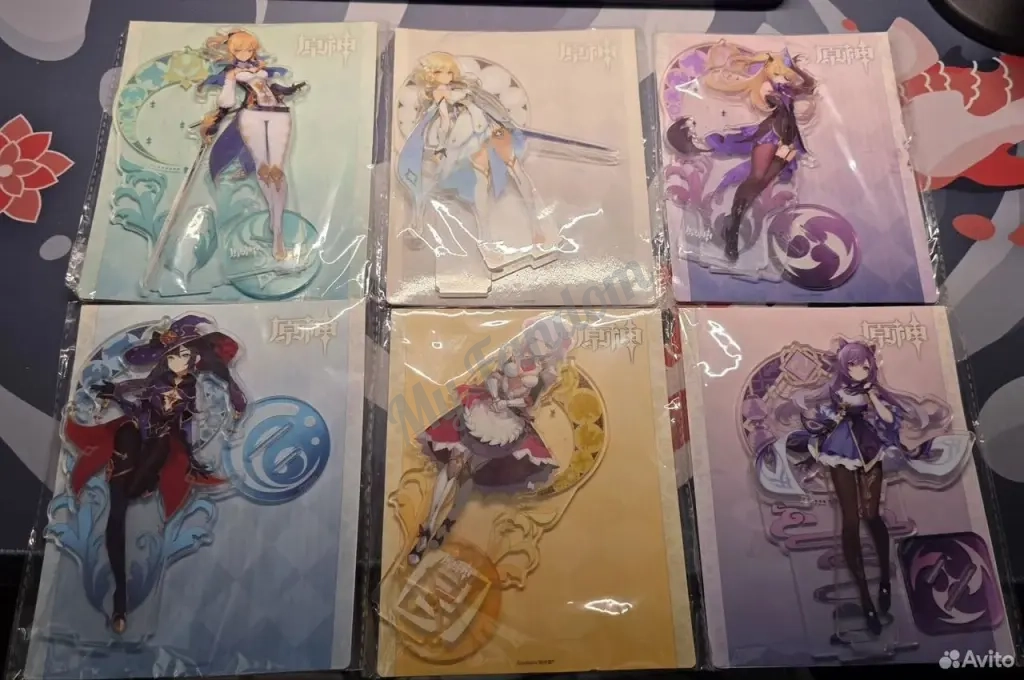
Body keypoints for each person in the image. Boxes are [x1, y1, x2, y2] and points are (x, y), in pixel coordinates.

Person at [65, 315, 246, 633]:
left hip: (159, 446)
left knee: (144, 474)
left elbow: (187, 426)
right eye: (174, 354)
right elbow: (137, 395)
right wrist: (116, 393)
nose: (178, 359)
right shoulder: (155, 381)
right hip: (132, 435)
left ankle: (146, 482)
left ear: (194, 358)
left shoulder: (190, 389)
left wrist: (193, 458)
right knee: (117, 511)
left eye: (185, 354)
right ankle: (120, 601)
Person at [666, 44, 816, 262]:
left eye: (784, 74)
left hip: (787, 142)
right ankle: (734, 227)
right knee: (756, 179)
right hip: (769, 136)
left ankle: (733, 223)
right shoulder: (768, 88)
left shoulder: (787, 89)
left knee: (761, 183)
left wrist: (797, 71)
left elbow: (809, 86)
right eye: (778, 73)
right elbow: (769, 102)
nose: (782, 78)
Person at [198, 29, 306, 261]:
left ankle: (276, 224)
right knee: (263, 169)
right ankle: (277, 234)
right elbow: (226, 101)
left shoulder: (262, 67)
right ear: (231, 51)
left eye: (249, 49)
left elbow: (272, 84)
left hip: (278, 112)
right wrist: (230, 81)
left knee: (277, 170)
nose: (245, 53)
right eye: (239, 50)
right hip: (252, 115)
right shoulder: (231, 72)